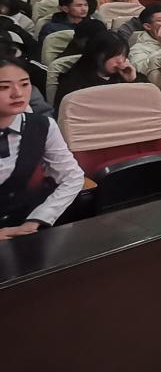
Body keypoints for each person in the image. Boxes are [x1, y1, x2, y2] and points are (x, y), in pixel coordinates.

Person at [0, 58, 85, 239]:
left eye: (25, 84)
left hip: (23, 228)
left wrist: (39, 218)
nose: (17, 93)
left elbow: (72, 176)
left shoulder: (42, 126)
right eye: (4, 87)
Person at [54, 31, 137, 113]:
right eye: (114, 55)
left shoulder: (122, 76)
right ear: (97, 54)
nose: (120, 60)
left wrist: (131, 81)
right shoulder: (73, 82)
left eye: (123, 55)